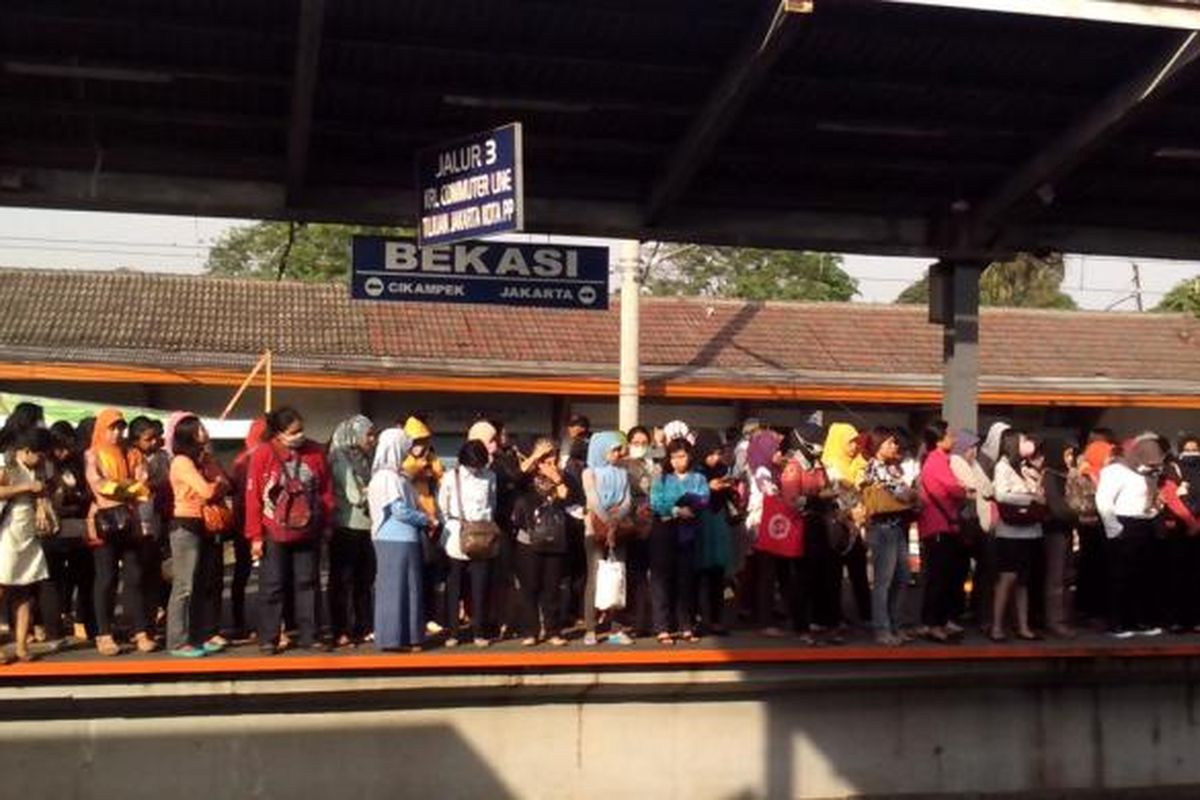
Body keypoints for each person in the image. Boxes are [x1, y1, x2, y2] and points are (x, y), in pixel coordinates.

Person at [244, 407, 335, 654]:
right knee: (272, 585)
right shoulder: (263, 454)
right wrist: (255, 536)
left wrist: (327, 524)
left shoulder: (315, 452)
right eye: (294, 432)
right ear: (279, 433)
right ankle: (269, 637)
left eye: (302, 430)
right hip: (274, 530)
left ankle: (310, 635)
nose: (299, 435)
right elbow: (253, 498)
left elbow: (326, 491)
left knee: (309, 583)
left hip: (309, 529)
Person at [85, 408, 156, 656]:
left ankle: (140, 632)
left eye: (119, 428)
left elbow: (143, 485)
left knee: (135, 577)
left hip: (131, 521)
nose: (116, 433)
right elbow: (99, 486)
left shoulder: (133, 453)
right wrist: (128, 488)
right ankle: (104, 634)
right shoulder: (92, 454)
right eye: (111, 427)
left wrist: (124, 488)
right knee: (106, 579)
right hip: (103, 523)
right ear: (102, 429)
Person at [166, 415, 230, 657]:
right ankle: (176, 641)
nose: (204, 431)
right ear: (190, 434)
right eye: (199, 428)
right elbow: (207, 489)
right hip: (185, 524)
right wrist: (217, 485)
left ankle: (196, 636)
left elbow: (225, 481)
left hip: (203, 524)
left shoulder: (204, 458)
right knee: (184, 585)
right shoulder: (181, 461)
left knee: (200, 583)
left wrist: (215, 477)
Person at [369, 427, 433, 651]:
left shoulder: (393, 476)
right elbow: (399, 510)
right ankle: (395, 637)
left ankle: (405, 636)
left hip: (397, 538)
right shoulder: (388, 477)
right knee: (398, 588)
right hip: (395, 538)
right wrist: (425, 519)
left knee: (403, 587)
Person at [1096, 436, 1164, 638]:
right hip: (1123, 524)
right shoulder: (1115, 471)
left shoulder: (1147, 472)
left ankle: (1139, 620)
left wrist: (1154, 510)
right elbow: (1104, 500)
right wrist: (1114, 528)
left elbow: (1148, 499)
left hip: (1144, 524)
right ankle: (1116, 622)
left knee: (1142, 576)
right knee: (1119, 576)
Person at [511, 438, 572, 646]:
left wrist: (556, 477)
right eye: (545, 457)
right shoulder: (527, 478)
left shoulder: (562, 475)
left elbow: (566, 497)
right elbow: (516, 477)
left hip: (554, 538)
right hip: (528, 539)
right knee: (529, 587)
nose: (549, 461)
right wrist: (536, 457)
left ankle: (553, 631)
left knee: (551, 587)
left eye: (552, 456)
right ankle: (530, 631)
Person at [0, 428, 54, 662]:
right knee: (2, 588)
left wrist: (43, 502)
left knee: (25, 591)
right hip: (8, 532)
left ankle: (22, 645)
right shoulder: (9, 468)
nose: (42, 459)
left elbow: (44, 493)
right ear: (26, 451)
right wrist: (25, 488)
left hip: (30, 534)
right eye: (39, 454)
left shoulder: (40, 471)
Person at [649, 438, 709, 644]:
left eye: (681, 456)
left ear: (690, 456)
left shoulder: (699, 478)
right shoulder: (662, 478)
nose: (677, 461)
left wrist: (689, 506)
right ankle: (662, 627)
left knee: (686, 579)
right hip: (664, 532)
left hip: (689, 532)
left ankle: (686, 625)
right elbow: (656, 502)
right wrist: (675, 509)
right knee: (662, 579)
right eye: (673, 457)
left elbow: (703, 498)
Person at [861, 427, 917, 646]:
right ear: (878, 446)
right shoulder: (875, 467)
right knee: (884, 582)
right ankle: (883, 629)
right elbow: (903, 493)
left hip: (896, 527)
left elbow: (905, 493)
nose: (895, 446)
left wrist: (908, 494)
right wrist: (910, 495)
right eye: (890, 443)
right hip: (883, 528)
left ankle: (895, 625)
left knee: (902, 578)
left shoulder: (892, 468)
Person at [439, 438, 497, 647]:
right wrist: (452, 526)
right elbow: (442, 507)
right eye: (473, 463)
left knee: (480, 587)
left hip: (482, 534)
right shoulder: (450, 477)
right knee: (454, 587)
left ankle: (479, 631)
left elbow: (492, 503)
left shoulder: (490, 476)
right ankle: (453, 632)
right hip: (456, 535)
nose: (476, 468)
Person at [327, 414, 377, 648]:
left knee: (364, 580)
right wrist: (375, 491)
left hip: (366, 525)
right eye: (368, 434)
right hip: (346, 525)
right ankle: (341, 628)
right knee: (343, 581)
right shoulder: (340, 457)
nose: (372, 438)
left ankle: (364, 625)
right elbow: (354, 494)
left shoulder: (365, 458)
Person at [990, 431, 1045, 642]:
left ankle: (1023, 626)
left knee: (1024, 580)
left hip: (1030, 531)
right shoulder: (1002, 467)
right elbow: (1002, 495)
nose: (1028, 443)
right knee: (1007, 577)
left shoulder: (1023, 467)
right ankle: (997, 626)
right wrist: (1030, 498)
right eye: (1023, 440)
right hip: (1011, 532)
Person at [43, 421, 94, 643]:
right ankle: (53, 628)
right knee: (52, 580)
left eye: (67, 446)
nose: (63, 452)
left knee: (84, 577)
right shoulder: (45, 466)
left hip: (77, 528)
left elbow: (85, 494)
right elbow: (48, 502)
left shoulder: (77, 463)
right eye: (58, 447)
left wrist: (76, 498)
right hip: (52, 529)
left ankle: (85, 624)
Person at [916, 421, 966, 643]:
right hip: (939, 527)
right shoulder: (937, 461)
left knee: (940, 577)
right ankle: (934, 623)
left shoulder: (933, 460)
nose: (953, 439)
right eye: (949, 435)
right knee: (940, 578)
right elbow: (954, 489)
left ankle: (934, 621)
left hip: (938, 526)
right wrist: (966, 488)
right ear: (938, 439)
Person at [582, 430, 633, 645]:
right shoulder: (589, 472)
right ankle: (590, 628)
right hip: (595, 529)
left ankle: (617, 628)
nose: (619, 453)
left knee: (618, 575)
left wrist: (616, 521)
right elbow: (592, 499)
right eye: (614, 449)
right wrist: (607, 520)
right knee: (595, 576)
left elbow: (628, 500)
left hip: (618, 529)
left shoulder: (623, 472)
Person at [821, 423, 871, 627]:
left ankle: (866, 614)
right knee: (834, 576)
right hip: (837, 525)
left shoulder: (858, 463)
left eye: (856, 442)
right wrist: (851, 514)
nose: (854, 446)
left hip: (855, 526)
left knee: (858, 571)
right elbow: (837, 495)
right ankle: (835, 617)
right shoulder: (830, 464)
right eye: (850, 442)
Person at [229, 416, 267, 640]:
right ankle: (272, 623)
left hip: (242, 523)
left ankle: (238, 621)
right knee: (268, 576)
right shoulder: (263, 457)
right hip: (260, 523)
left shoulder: (240, 459)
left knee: (241, 574)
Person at [693, 430, 733, 636]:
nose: (715, 458)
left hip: (717, 522)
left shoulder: (722, 469)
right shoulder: (694, 470)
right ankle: (699, 619)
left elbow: (727, 497)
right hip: (699, 523)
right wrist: (707, 487)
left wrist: (728, 486)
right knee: (699, 575)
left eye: (718, 453)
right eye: (711, 453)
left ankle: (717, 619)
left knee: (717, 574)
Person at [1041, 438, 1079, 638]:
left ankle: (1063, 617)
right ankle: (1055, 621)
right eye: (1067, 454)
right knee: (1055, 578)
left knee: (1066, 576)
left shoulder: (1065, 475)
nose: (1071, 459)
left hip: (1065, 529)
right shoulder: (1050, 475)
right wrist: (1079, 514)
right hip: (1054, 531)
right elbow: (1057, 506)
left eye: (1072, 454)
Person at [621, 425, 656, 637]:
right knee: (633, 575)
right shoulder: (623, 466)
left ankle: (644, 620)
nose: (640, 447)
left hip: (652, 524)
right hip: (630, 524)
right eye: (636, 443)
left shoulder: (654, 466)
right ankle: (632, 619)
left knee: (649, 575)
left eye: (644, 443)